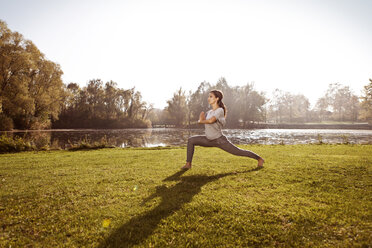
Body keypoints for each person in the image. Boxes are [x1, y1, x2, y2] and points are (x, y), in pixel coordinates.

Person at [181, 89, 265, 170]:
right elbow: (203, 121)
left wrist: (202, 121)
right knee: (191, 140)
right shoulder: (209, 112)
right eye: (208, 96)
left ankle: (259, 159)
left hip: (219, 140)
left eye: (211, 96)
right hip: (208, 139)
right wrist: (201, 119)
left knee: (238, 152)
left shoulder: (220, 110)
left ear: (217, 98)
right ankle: (188, 164)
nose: (208, 98)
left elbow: (211, 121)